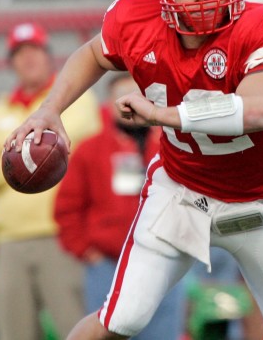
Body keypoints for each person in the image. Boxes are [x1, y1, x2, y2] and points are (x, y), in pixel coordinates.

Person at [4, 0, 263, 340]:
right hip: (182, 193)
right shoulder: (137, 19)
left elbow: (258, 110)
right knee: (119, 319)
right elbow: (95, 53)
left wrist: (164, 115)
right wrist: (50, 108)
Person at [0, 22, 101, 340]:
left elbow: (71, 148)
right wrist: (31, 153)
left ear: (48, 56)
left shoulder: (76, 99)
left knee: (74, 327)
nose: (29, 59)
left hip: (60, 237)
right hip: (9, 241)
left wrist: (8, 153)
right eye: (20, 53)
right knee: (13, 332)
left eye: (35, 50)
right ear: (10, 62)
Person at [53, 72, 186, 340]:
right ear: (109, 104)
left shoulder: (170, 145)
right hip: (106, 265)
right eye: (121, 97)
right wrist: (85, 249)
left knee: (163, 333)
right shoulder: (90, 150)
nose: (129, 105)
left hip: (163, 259)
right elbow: (67, 208)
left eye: (136, 96)